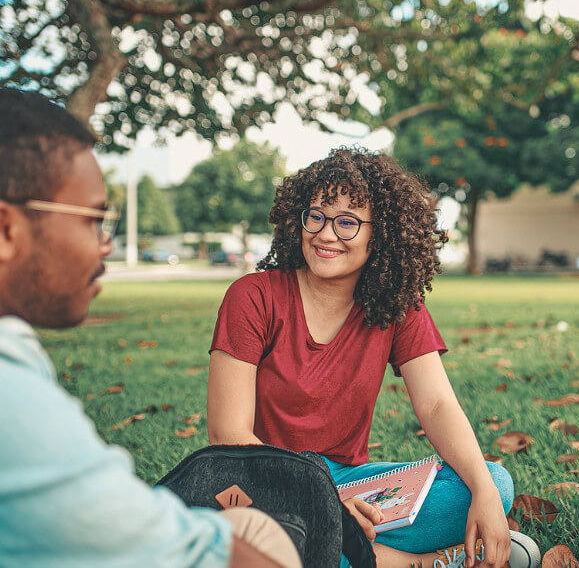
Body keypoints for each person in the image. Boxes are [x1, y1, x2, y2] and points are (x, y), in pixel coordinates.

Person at [0, 87, 299, 567]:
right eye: (94, 220)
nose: (106, 245)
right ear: (2, 229)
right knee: (261, 537)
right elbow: (193, 556)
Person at [206, 147, 536, 568]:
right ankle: (423, 562)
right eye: (316, 216)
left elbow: (436, 404)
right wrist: (323, 505)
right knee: (261, 536)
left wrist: (485, 495)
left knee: (492, 481)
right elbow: (228, 436)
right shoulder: (253, 297)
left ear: (380, 234)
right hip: (263, 484)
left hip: (348, 484)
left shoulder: (397, 306)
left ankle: (340, 550)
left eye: (347, 222)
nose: (326, 235)